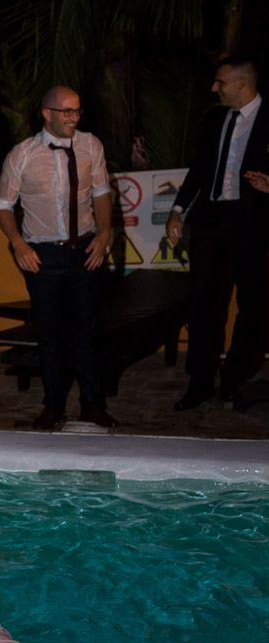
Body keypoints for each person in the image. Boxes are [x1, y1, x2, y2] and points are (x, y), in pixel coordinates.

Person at [0, 86, 117, 430]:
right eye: (66, 112)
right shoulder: (22, 155)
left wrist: (105, 235)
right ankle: (52, 406)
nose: (73, 117)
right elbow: (3, 206)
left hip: (86, 250)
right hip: (42, 254)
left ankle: (92, 404)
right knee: (50, 334)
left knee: (87, 331)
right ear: (46, 113)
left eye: (77, 111)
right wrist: (18, 243)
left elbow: (102, 193)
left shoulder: (91, 145)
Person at [165, 57, 269, 410]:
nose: (214, 88)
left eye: (220, 82)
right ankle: (200, 380)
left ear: (242, 83)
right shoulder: (214, 117)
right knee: (204, 301)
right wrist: (178, 209)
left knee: (250, 303)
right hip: (209, 218)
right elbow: (198, 167)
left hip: (250, 220)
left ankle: (234, 377)